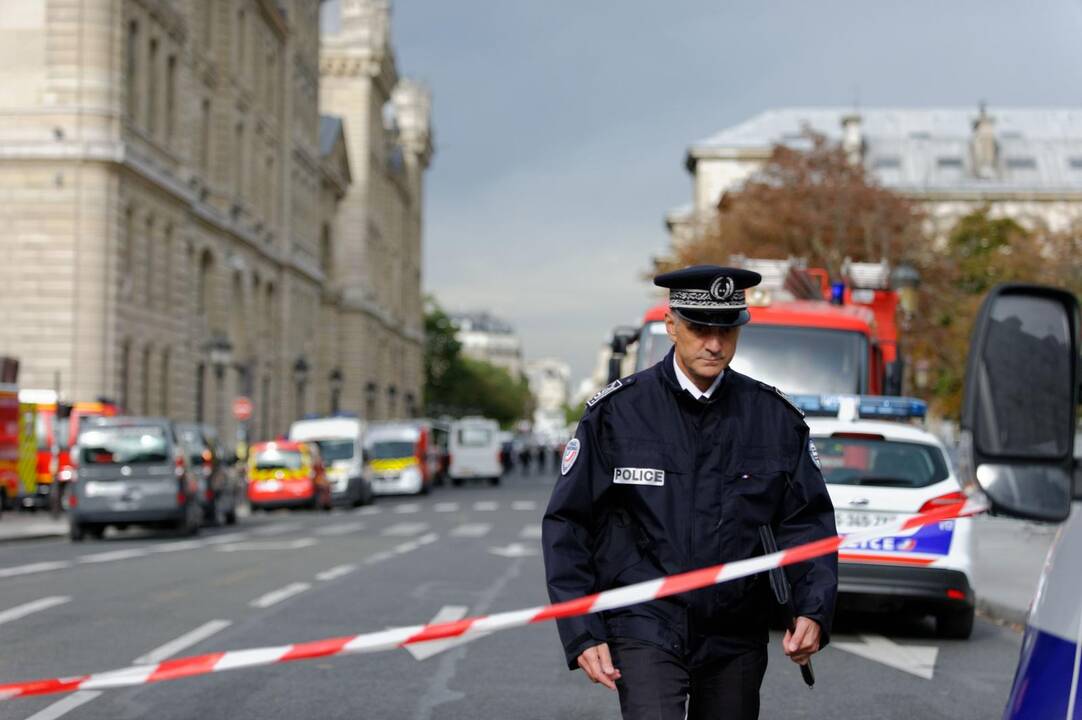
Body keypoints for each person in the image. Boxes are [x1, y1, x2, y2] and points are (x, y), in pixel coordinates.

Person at [542, 265, 838, 720]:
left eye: (727, 330)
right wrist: (583, 631)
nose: (715, 344)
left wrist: (813, 610)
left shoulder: (775, 420)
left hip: (735, 631)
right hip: (644, 622)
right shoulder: (617, 415)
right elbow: (569, 523)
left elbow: (807, 523)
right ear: (671, 325)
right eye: (700, 329)